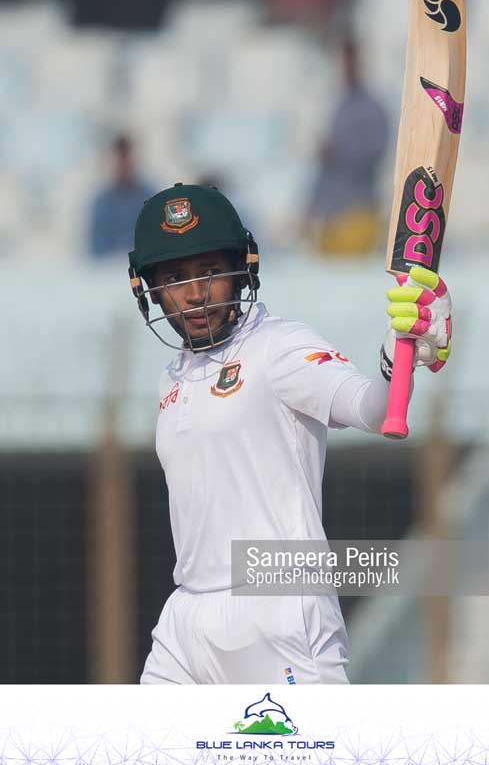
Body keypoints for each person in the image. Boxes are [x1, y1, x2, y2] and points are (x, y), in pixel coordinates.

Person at [128, 183, 452, 684]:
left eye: (210, 272)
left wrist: (400, 355)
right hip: (186, 618)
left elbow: (372, 408)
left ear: (242, 268)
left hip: (277, 609)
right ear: (149, 289)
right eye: (175, 278)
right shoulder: (172, 377)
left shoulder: (278, 346)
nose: (194, 293)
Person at [305, 38, 389, 256]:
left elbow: (377, 151)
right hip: (330, 214)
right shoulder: (338, 105)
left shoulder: (372, 108)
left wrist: (341, 151)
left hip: (358, 212)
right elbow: (324, 168)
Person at [88, 135, 154, 258]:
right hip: (111, 266)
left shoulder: (150, 196)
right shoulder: (102, 202)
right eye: (119, 159)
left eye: (127, 158)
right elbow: (96, 248)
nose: (123, 164)